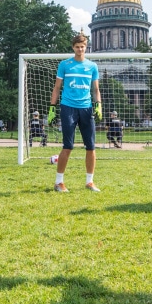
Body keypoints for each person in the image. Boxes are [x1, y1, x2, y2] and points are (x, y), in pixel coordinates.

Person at [48, 33, 102, 193]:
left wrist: (98, 105)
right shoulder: (65, 65)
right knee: (68, 146)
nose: (80, 49)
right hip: (68, 108)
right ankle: (59, 182)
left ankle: (89, 182)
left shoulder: (92, 66)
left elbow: (96, 89)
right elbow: (57, 87)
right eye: (77, 47)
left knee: (91, 147)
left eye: (82, 47)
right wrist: (52, 107)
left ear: (86, 47)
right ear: (73, 47)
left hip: (86, 108)